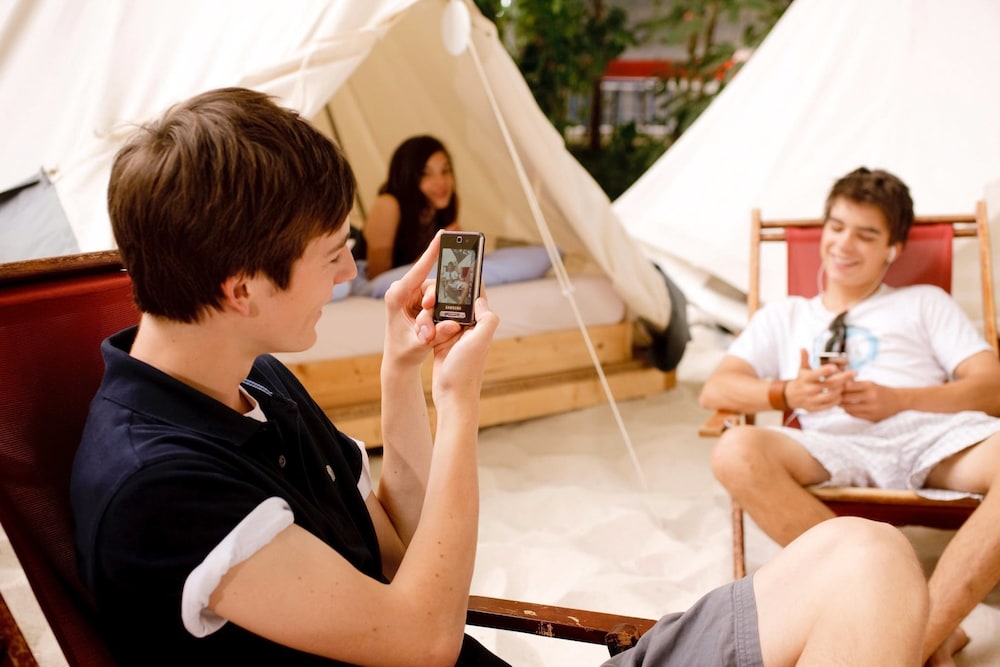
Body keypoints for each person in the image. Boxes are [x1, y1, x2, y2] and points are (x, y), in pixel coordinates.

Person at [71, 89, 929, 666]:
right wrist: (461, 399)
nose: (346, 275)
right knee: (865, 574)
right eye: (332, 254)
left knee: (868, 553)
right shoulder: (164, 488)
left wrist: (402, 374)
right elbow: (423, 634)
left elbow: (396, 547)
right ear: (240, 288)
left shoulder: (247, 380)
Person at [700, 166, 1000, 666]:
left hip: (929, 438)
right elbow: (717, 388)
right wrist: (786, 391)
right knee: (734, 450)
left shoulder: (924, 303)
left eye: (867, 234)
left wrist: (898, 400)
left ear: (893, 248)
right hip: (830, 446)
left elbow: (991, 387)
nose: (844, 244)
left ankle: (918, 636)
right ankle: (928, 626)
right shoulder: (786, 315)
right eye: (836, 227)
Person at [364, 134, 459, 280]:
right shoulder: (388, 205)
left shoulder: (448, 203)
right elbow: (377, 276)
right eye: (426, 174)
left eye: (445, 171)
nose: (441, 182)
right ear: (407, 176)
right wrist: (435, 251)